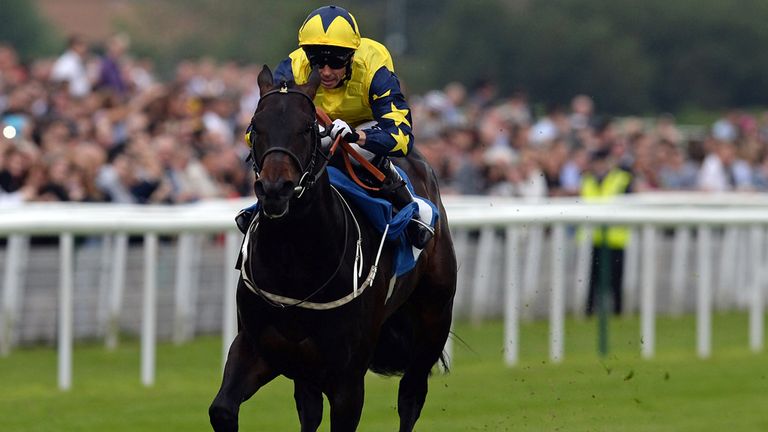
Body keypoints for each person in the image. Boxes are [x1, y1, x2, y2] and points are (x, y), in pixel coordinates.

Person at [237, 5, 434, 248]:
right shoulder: (292, 66)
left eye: (336, 62)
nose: (326, 72)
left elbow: (402, 137)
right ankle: (262, 207)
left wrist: (357, 136)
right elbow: (258, 131)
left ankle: (408, 205)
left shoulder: (375, 65)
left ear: (351, 55)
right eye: (318, 62)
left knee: (354, 154)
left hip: (365, 127)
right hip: (318, 128)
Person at [581, 148, 633, 316]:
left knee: (616, 279)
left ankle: (617, 311)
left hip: (616, 237)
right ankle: (590, 312)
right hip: (596, 237)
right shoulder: (588, 180)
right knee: (594, 279)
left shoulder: (622, 179)